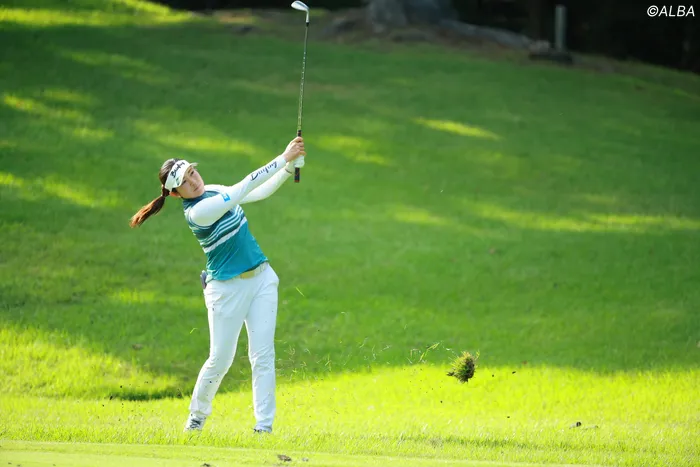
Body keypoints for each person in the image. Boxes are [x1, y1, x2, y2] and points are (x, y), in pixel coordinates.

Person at [129, 136, 307, 434]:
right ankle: (197, 417)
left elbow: (258, 192)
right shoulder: (197, 212)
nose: (193, 181)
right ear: (175, 194)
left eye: (192, 173)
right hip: (226, 289)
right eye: (185, 182)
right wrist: (283, 157)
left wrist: (288, 170)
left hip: (262, 278)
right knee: (220, 359)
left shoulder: (212, 190)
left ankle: (264, 427)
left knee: (263, 355)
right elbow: (243, 187)